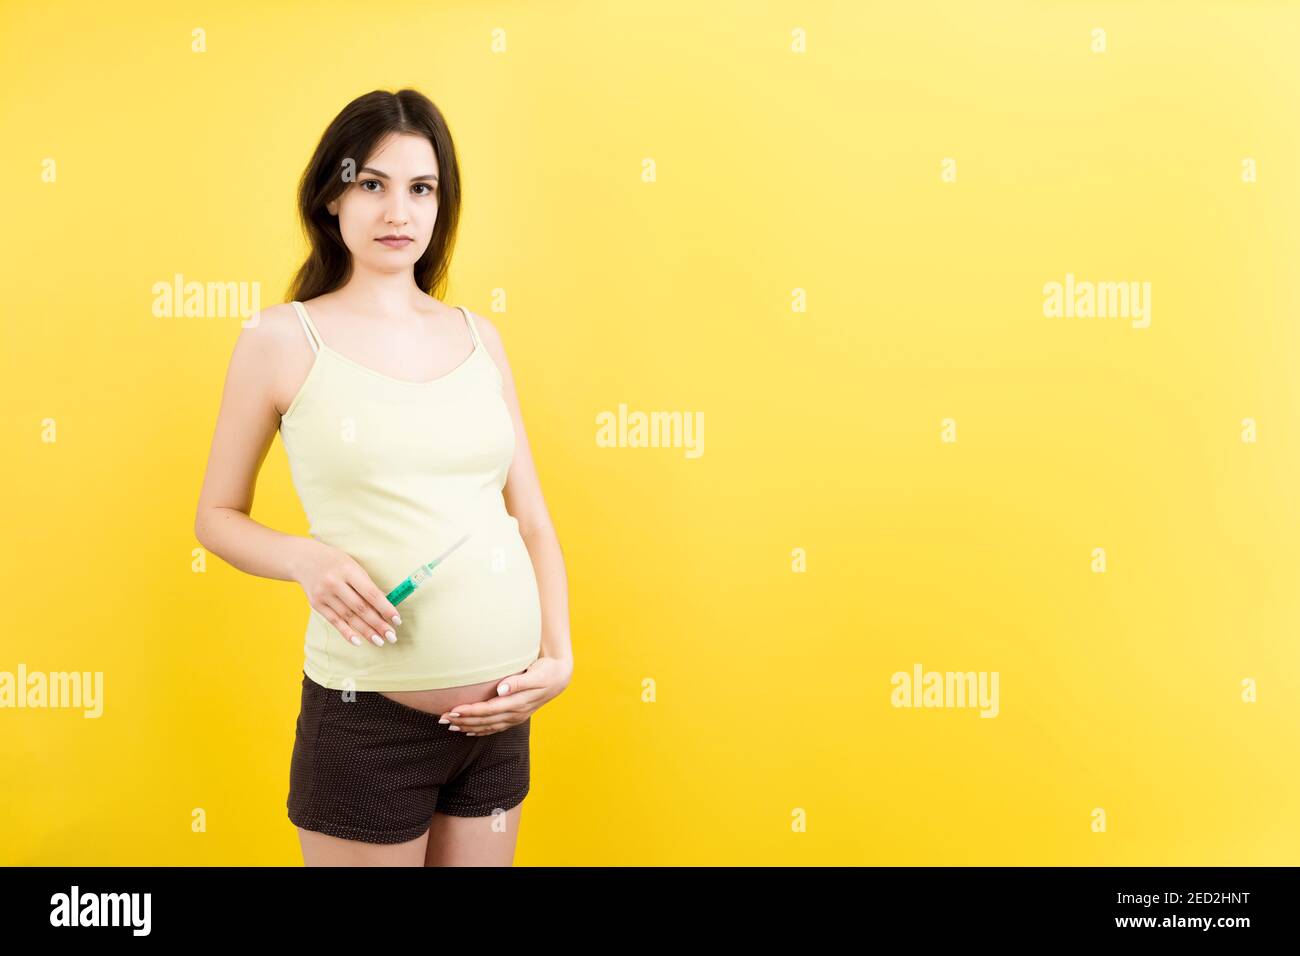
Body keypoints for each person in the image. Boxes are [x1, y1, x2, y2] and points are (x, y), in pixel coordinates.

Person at [193, 88, 573, 866]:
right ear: (332, 196)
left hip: (498, 724)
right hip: (368, 724)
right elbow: (216, 515)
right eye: (372, 183)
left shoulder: (479, 337)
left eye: (421, 188)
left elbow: (529, 517)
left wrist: (558, 658)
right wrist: (308, 559)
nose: (398, 209)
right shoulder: (281, 339)